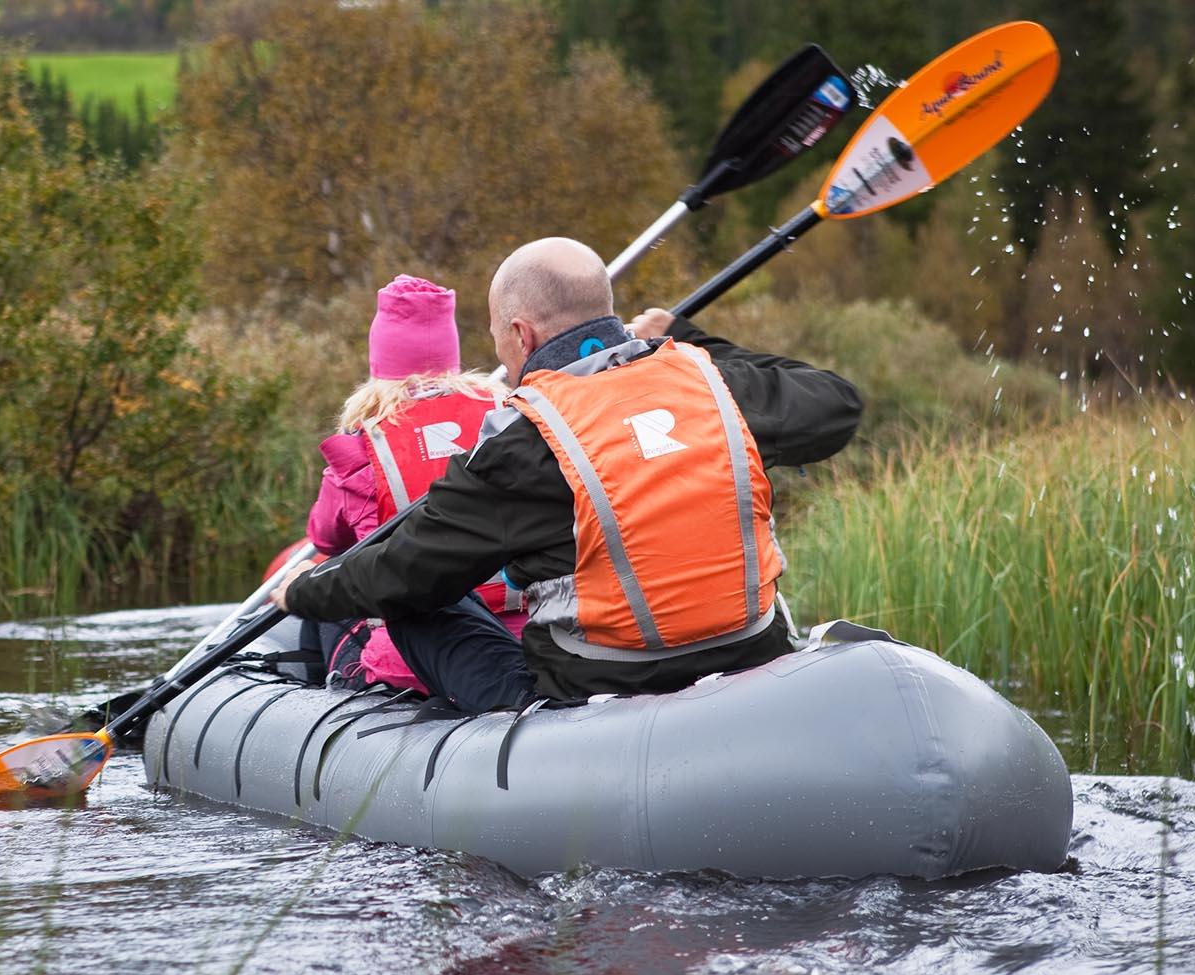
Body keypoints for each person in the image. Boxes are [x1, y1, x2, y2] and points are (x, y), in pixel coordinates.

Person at [274, 237, 862, 713]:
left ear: (521, 335)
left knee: (412, 601)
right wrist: (686, 335)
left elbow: (403, 574)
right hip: (747, 653)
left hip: (591, 696)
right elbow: (836, 403)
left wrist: (303, 591)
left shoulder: (522, 444)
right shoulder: (716, 385)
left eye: (501, 339)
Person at [302, 274, 520, 691]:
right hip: (513, 647)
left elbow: (326, 538)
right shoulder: (511, 420)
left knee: (322, 592)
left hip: (407, 666)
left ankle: (320, 700)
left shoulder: (360, 447)